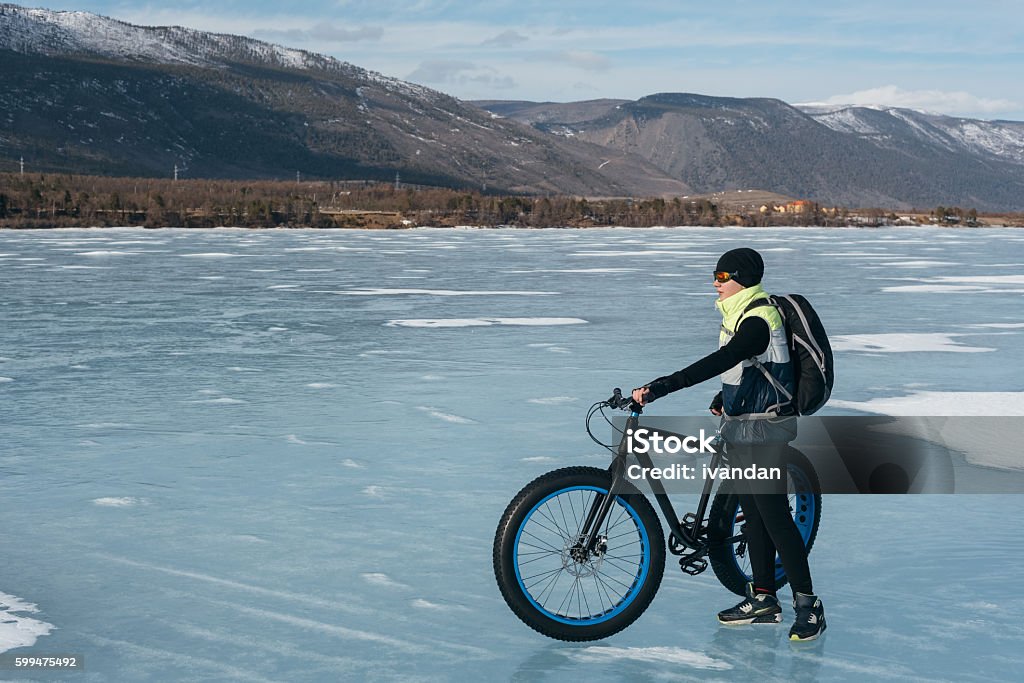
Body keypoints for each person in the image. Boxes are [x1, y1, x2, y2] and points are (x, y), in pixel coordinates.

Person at [631, 247, 826, 642]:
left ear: (740, 278)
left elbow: (721, 361)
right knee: (753, 513)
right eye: (715, 277)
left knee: (773, 515)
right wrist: (727, 399)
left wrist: (659, 387)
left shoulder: (757, 318)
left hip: (767, 430)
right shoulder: (740, 316)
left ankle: (809, 606)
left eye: (721, 277)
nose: (715, 284)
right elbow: (753, 368)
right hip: (743, 426)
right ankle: (764, 599)